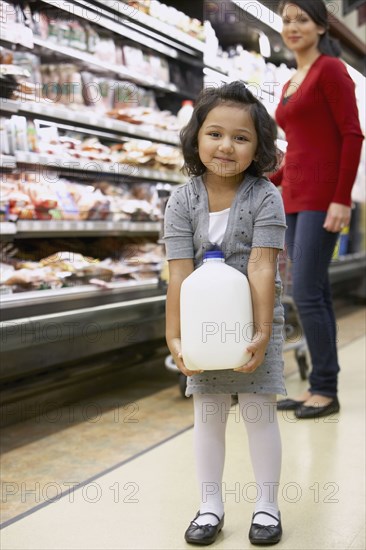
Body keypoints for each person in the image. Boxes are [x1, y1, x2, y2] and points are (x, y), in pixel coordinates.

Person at [163, 81, 287, 546]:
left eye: (241, 138)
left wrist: (259, 333)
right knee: (209, 412)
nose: (226, 146)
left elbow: (261, 265)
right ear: (196, 138)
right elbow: (178, 273)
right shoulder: (182, 200)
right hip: (201, 326)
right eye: (215, 133)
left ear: (258, 148)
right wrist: (174, 338)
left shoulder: (265, 196)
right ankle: (210, 505)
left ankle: (267, 507)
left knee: (259, 412)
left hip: (256, 320)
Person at [272, 0, 364, 419]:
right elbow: (298, 149)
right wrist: (268, 181)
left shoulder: (330, 70)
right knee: (313, 292)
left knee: (306, 292)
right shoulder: (291, 81)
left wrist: (341, 197)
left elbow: (352, 133)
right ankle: (318, 386)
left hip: (322, 199)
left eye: (301, 19)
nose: (292, 27)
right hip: (294, 197)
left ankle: (325, 388)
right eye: (287, 20)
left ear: (321, 26)